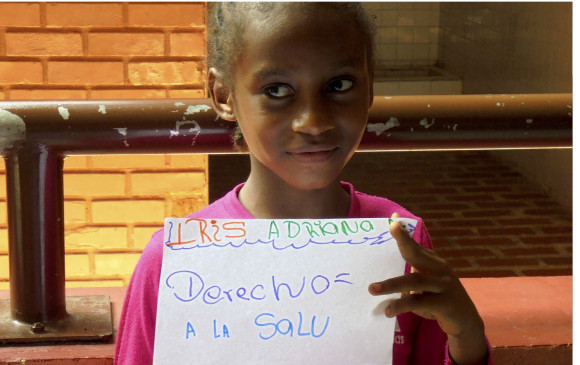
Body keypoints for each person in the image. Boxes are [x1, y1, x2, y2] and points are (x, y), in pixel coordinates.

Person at [114, 3, 490, 364]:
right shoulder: (170, 262)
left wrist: (467, 337)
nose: (313, 121)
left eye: (339, 85)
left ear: (370, 83)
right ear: (224, 95)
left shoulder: (401, 243)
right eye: (277, 90)